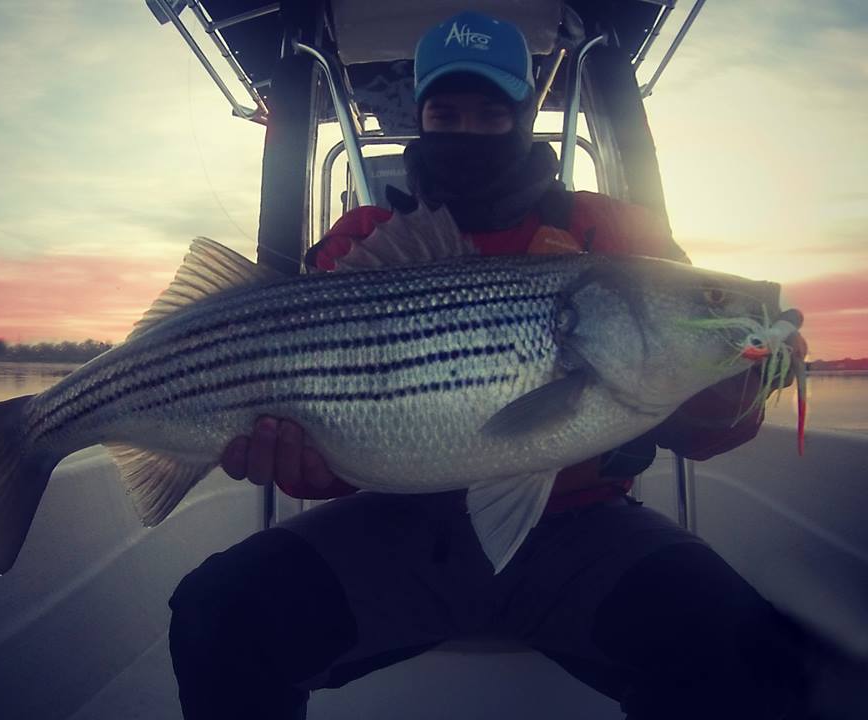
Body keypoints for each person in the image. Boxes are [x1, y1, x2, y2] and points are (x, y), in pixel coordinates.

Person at [168, 12, 811, 720]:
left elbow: (704, 431)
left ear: (524, 114)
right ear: (421, 116)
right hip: (398, 528)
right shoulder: (365, 241)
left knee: (747, 652)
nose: (466, 132)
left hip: (584, 529)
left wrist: (745, 375)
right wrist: (303, 464)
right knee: (216, 615)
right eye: (446, 112)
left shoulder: (620, 236)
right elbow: (334, 453)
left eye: (490, 113)